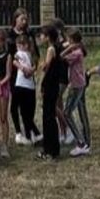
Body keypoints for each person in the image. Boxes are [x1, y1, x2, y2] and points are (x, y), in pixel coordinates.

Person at [37, 23, 66, 160]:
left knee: (48, 117)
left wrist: (41, 65)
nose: (40, 37)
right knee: (50, 115)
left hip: (50, 85)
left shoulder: (51, 49)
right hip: (54, 84)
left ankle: (50, 150)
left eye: (42, 35)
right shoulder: (58, 47)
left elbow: (46, 67)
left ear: (48, 37)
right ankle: (52, 149)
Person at [63, 28, 91, 157]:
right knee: (78, 111)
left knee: (67, 113)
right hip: (79, 84)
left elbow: (61, 57)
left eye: (68, 39)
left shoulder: (76, 53)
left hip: (76, 86)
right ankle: (85, 141)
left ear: (73, 40)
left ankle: (81, 143)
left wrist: (68, 48)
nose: (66, 41)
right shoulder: (78, 50)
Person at [11, 33, 39, 145]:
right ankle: (32, 133)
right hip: (21, 83)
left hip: (29, 85)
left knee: (28, 110)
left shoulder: (31, 55)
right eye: (18, 44)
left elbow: (35, 66)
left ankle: (31, 133)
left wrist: (31, 71)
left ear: (27, 45)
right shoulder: (19, 53)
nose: (20, 47)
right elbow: (14, 60)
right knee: (22, 109)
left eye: (22, 44)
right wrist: (23, 68)